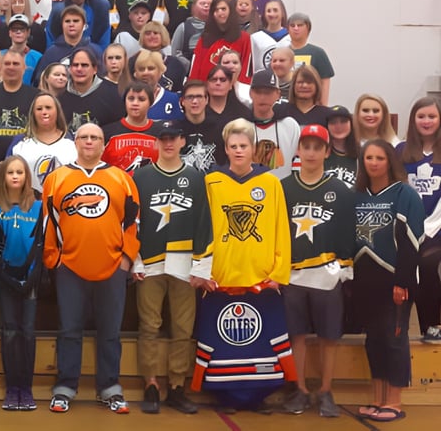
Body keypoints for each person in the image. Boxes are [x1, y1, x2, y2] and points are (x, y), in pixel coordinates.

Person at [189, 118, 294, 411]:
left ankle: (259, 395)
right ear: (225, 148)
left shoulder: (271, 182)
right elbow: (202, 229)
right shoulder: (211, 181)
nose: (238, 151)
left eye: (243, 146)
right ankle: (225, 395)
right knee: (223, 344)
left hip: (261, 279)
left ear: (253, 149)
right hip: (221, 278)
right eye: (233, 146)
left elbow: (281, 229)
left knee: (261, 343)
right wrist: (202, 270)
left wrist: (279, 272)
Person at [43, 122, 140, 414]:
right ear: (76, 142)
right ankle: (65, 387)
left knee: (110, 331)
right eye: (84, 137)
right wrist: (54, 259)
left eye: (95, 137)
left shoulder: (121, 178)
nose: (89, 142)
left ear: (103, 143)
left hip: (112, 266)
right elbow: (48, 222)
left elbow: (134, 222)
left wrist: (126, 258)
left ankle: (110, 387)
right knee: (69, 330)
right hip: (69, 267)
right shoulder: (57, 178)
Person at [279, 124, 356, 417]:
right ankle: (299, 390)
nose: (311, 153)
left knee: (328, 336)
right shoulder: (284, 188)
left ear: (326, 151)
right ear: (298, 150)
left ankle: (325, 391)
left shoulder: (340, 190)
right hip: (292, 274)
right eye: (306, 146)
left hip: (326, 274)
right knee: (295, 335)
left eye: (317, 147)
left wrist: (342, 268)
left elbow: (348, 232)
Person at [131, 121, 205, 414]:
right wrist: (133, 260)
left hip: (184, 264)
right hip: (148, 262)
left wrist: (202, 265)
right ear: (156, 142)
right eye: (163, 138)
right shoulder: (141, 177)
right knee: (149, 326)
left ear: (183, 141)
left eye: (173, 138)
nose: (168, 143)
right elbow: (131, 223)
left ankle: (176, 386)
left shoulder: (197, 178)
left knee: (183, 329)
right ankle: (150, 384)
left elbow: (204, 224)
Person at [352, 140, 424, 423]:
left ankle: (394, 401)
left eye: (379, 157)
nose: (373, 162)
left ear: (390, 161)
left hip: (395, 279)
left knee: (394, 339)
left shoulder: (405, 194)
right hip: (365, 280)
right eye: (368, 157)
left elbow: (412, 241)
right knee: (374, 341)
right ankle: (377, 398)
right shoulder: (357, 195)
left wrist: (403, 282)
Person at [0, 155, 42, 411]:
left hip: (30, 280)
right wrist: (7, 275)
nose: (14, 176)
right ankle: (12, 389)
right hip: (5, 279)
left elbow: (39, 247)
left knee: (28, 332)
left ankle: (27, 389)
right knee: (10, 331)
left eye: (19, 172)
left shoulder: (37, 207)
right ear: (4, 177)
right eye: (10, 172)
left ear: (26, 177)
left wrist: (29, 277)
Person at [396, 96, 441, 339]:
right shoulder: (401, 150)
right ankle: (398, 327)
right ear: (413, 119)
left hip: (437, 229)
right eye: (421, 116)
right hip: (408, 227)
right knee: (403, 267)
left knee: (426, 264)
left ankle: (432, 325)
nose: (426, 121)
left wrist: (429, 228)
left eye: (432, 116)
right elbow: (396, 189)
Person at [8, 91, 77, 192]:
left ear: (57, 111)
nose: (44, 112)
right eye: (39, 109)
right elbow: (7, 176)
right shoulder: (20, 143)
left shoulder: (73, 142)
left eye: (48, 108)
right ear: (33, 113)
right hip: (30, 204)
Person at [58, 46, 124, 133]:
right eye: (75, 65)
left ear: (95, 69)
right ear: (70, 69)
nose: (79, 69)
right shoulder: (60, 94)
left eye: (84, 65)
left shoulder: (114, 94)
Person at [249, 68, 301, 179]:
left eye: (268, 92)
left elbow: (298, 161)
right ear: (251, 93)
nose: (263, 97)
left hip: (283, 191)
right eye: (258, 92)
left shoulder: (290, 126)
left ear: (278, 94)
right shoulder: (240, 126)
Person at [188, 0, 251, 84]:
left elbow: (247, 68)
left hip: (234, 90)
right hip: (207, 90)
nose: (220, 12)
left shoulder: (244, 38)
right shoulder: (205, 38)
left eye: (223, 9)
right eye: (216, 10)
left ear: (231, 11)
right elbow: (195, 68)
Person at [101, 82, 160, 173]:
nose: (135, 103)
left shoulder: (161, 133)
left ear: (150, 103)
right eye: (131, 99)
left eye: (141, 99)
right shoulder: (107, 133)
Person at [46, 0, 111, 50]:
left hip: (92, 54)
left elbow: (104, 38)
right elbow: (51, 40)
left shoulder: (100, 7)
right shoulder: (58, 10)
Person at [34, 5, 103, 80]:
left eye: (76, 21)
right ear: (62, 24)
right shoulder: (51, 53)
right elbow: (40, 80)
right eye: (67, 21)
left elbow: (102, 79)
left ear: (84, 24)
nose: (71, 24)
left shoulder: (95, 51)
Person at [287, 12, 334, 104]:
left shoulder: (318, 53)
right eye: (292, 25)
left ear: (308, 28)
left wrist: (323, 107)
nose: (296, 28)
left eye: (300, 25)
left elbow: (325, 82)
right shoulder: (281, 52)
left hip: (311, 106)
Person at [179, 79, 225, 172]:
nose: (195, 101)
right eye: (190, 97)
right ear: (182, 101)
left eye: (199, 97)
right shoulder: (174, 130)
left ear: (206, 99)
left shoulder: (221, 128)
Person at [133, 50, 182, 121]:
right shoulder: (126, 99)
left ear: (160, 72)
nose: (145, 73)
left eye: (151, 68)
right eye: (141, 69)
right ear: (136, 74)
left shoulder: (174, 99)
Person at [250, 0, 290, 73]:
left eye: (275, 10)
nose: (272, 14)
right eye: (268, 11)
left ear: (282, 13)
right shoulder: (255, 38)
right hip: (262, 82)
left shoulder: (291, 38)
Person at [171, 0, 211, 65]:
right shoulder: (183, 27)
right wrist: (188, 65)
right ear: (194, 7)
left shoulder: (218, 28)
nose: (206, 6)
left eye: (210, 4)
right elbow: (175, 52)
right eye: (202, 3)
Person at [326, 105, 359, 188]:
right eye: (333, 122)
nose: (338, 126)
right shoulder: (320, 153)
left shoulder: (362, 154)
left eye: (343, 121)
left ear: (351, 124)